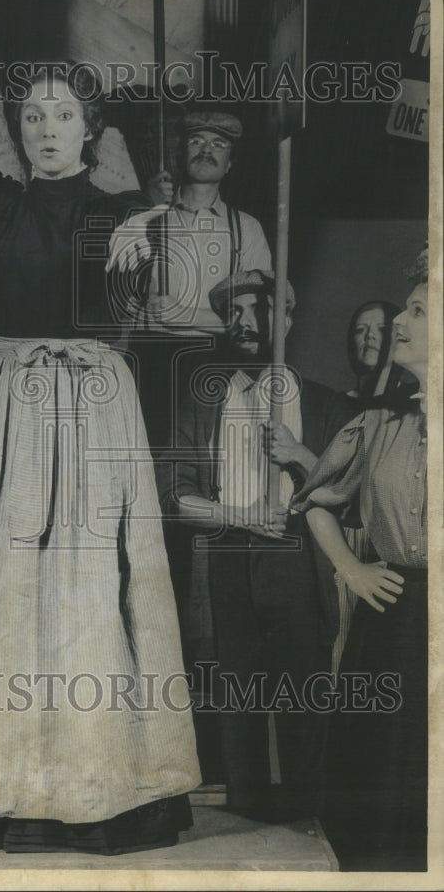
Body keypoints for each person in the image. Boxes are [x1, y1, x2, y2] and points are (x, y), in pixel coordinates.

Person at [0, 0, 200, 854]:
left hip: (93, 412)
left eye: (61, 112)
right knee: (3, 589)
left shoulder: (121, 214)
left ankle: (105, 785)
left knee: (87, 589)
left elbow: (130, 304)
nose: (43, 126)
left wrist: (129, 263)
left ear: (89, 126)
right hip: (7, 417)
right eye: (30, 112)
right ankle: (6, 786)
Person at [155, 270, 352, 822]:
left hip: (299, 557)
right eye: (234, 313)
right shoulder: (203, 402)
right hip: (226, 558)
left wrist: (298, 454)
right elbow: (173, 495)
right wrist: (239, 515)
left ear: (286, 318)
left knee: (303, 699)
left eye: (259, 311)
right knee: (233, 701)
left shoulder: (325, 405)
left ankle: (310, 822)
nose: (245, 323)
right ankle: (244, 826)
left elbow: (352, 495)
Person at [293, 248, 429, 871]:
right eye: (404, 308)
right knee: (382, 791)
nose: (401, 321)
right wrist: (350, 567)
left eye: (421, 311)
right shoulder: (377, 425)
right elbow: (315, 503)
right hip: (396, 618)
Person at [128, 111, 272, 447]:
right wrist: (145, 208)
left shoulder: (246, 229)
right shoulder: (147, 218)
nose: (206, 149)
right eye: (196, 141)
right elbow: (119, 299)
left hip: (215, 362)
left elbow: (260, 317)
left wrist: (184, 315)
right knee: (148, 461)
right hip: (152, 366)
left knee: (207, 461)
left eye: (218, 144)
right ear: (181, 154)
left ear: (229, 163)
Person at [331, 299, 400, 674]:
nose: (370, 337)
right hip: (340, 544)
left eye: (380, 329)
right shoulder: (332, 405)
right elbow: (327, 487)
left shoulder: (405, 409)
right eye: (360, 330)